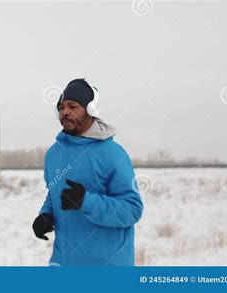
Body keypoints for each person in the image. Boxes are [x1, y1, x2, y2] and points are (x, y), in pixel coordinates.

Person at [32, 78, 144, 266]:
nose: (65, 112)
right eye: (61, 107)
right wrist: (46, 215)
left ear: (90, 109)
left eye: (72, 106)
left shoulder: (112, 153)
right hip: (64, 262)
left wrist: (86, 201)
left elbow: (132, 209)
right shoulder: (53, 154)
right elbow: (55, 193)